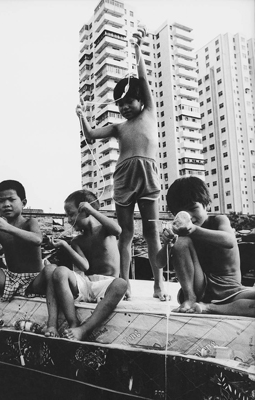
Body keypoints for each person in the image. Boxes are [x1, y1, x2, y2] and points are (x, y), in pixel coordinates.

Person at [76, 28, 168, 301]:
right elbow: (91, 135)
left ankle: (159, 283)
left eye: (130, 101)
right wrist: (82, 116)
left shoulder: (150, 113)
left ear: (141, 101)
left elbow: (142, 77)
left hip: (148, 176)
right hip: (124, 179)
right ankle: (124, 284)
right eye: (121, 104)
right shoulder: (118, 127)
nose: (125, 107)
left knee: (152, 232)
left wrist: (138, 49)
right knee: (126, 233)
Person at [158, 176, 255, 317]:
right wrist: (167, 244)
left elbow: (229, 241)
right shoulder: (180, 233)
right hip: (199, 290)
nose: (189, 217)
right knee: (182, 241)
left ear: (207, 205)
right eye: (182, 213)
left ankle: (209, 308)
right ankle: (189, 298)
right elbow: (159, 263)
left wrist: (194, 230)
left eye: (193, 209)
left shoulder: (218, 220)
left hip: (230, 292)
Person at [0, 180, 55, 326]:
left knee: (52, 270)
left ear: (23, 202)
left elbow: (37, 240)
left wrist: (8, 227)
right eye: (1, 201)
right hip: (10, 279)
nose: (6, 204)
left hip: (34, 280)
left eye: (12, 199)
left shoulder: (30, 222)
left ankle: (52, 323)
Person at [44, 189, 127, 340]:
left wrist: (91, 210)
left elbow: (118, 229)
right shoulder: (77, 240)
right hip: (87, 283)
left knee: (121, 284)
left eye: (71, 214)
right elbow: (85, 266)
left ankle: (85, 329)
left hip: (107, 284)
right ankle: (73, 322)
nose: (68, 220)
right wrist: (65, 245)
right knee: (60, 272)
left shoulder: (105, 230)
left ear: (85, 210)